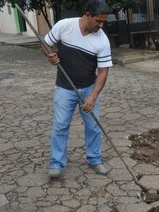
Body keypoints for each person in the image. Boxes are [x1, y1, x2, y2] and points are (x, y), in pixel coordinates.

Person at [44, 0, 113, 177]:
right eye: (98, 21)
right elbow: (46, 43)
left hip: (88, 88)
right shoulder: (64, 26)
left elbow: (103, 72)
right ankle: (56, 163)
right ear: (87, 15)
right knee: (60, 126)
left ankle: (95, 160)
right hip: (64, 88)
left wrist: (93, 97)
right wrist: (50, 55)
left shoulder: (102, 40)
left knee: (93, 126)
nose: (101, 25)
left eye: (103, 21)